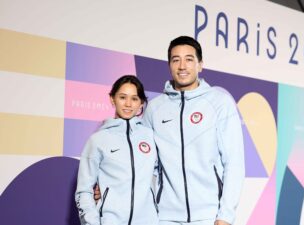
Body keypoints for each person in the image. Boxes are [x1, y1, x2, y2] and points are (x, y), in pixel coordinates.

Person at [143, 36, 245, 225]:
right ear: (169, 65)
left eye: (189, 59)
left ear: (200, 65)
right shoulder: (154, 109)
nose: (182, 66)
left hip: (209, 217)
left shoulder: (219, 103)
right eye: (176, 60)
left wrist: (225, 216)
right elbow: (145, 165)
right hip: (165, 218)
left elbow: (234, 163)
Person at [75, 75, 158, 225]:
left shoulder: (150, 137)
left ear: (141, 104)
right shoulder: (98, 140)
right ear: (112, 99)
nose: (128, 104)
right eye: (122, 97)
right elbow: (84, 191)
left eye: (134, 99)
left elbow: (163, 178)